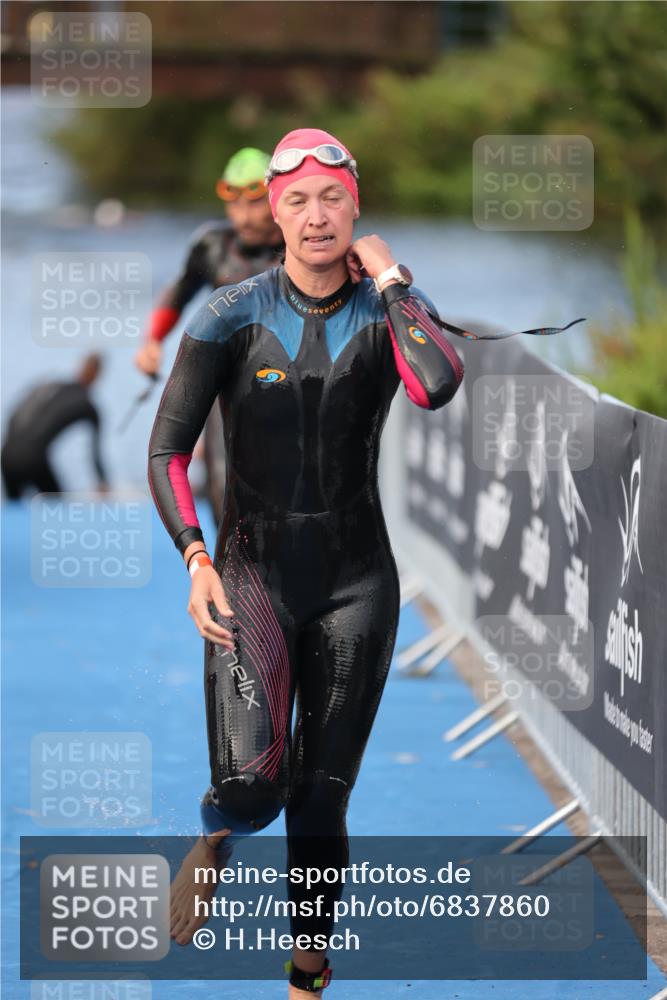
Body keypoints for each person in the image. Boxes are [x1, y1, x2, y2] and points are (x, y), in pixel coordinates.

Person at [147, 128, 464, 997]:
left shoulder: (388, 303)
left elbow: (436, 382)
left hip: (357, 583)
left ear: (354, 206)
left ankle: (307, 974)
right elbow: (167, 452)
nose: (315, 216)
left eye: (331, 199)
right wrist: (196, 561)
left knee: (321, 797)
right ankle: (215, 835)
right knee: (253, 792)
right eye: (297, 201)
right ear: (273, 215)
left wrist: (392, 275)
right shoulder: (229, 312)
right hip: (249, 577)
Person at [136, 147, 284, 522]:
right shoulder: (213, 245)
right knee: (222, 487)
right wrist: (152, 341)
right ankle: (227, 575)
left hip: (291, 382)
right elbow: (178, 292)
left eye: (254, 203)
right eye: (234, 205)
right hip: (229, 386)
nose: (244, 216)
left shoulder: (301, 243)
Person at [1, 353, 108, 498]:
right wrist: (103, 482)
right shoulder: (87, 405)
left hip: (7, 453)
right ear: (97, 375)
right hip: (33, 458)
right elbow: (95, 454)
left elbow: (16, 413)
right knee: (56, 510)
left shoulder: (51, 386)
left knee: (14, 511)